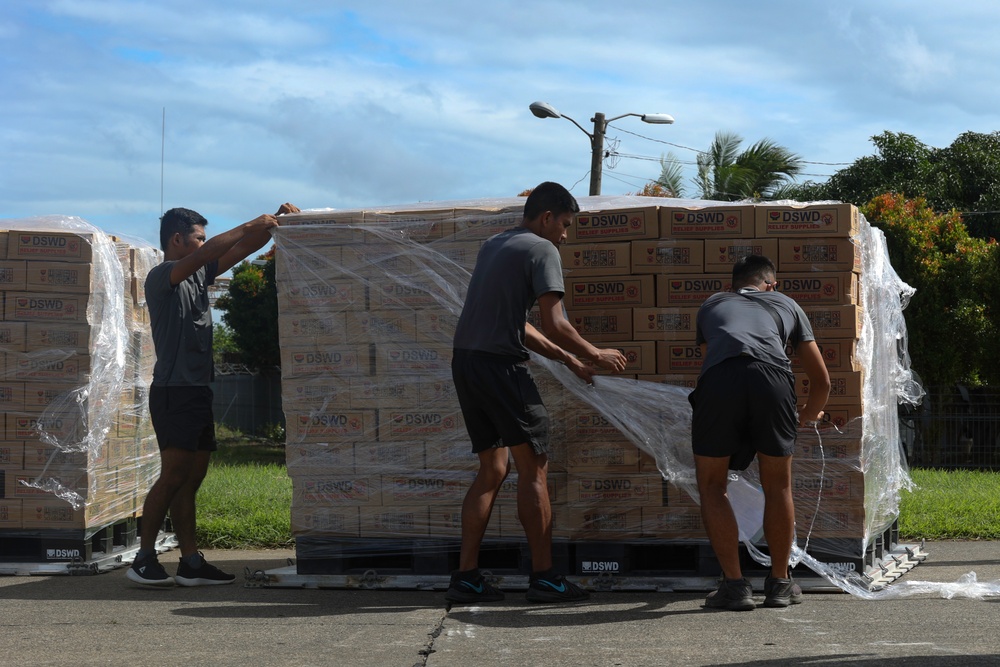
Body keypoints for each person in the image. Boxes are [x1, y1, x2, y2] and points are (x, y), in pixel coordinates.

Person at [446, 181, 628, 604]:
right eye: (564, 225)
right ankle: (545, 578)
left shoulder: (495, 245)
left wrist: (569, 362)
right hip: (499, 367)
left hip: (467, 363)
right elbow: (554, 324)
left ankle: (466, 577)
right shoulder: (542, 249)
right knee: (535, 467)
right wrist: (595, 352)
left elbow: (519, 325)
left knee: (493, 468)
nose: (565, 235)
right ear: (547, 217)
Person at [127, 203, 299, 587]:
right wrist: (250, 222)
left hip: (198, 392)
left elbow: (240, 249)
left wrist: (274, 221)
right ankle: (143, 558)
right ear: (177, 240)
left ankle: (190, 562)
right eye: (198, 236)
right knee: (172, 476)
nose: (205, 244)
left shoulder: (199, 275)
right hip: (174, 392)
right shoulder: (161, 276)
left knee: (193, 477)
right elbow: (211, 251)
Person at [690, 254, 831, 611]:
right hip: (773, 380)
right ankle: (780, 585)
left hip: (721, 380)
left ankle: (735, 588)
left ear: (731, 286)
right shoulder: (787, 304)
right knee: (778, 485)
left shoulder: (712, 304)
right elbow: (822, 380)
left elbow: (712, 360)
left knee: (712, 485)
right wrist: (809, 414)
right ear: (772, 284)